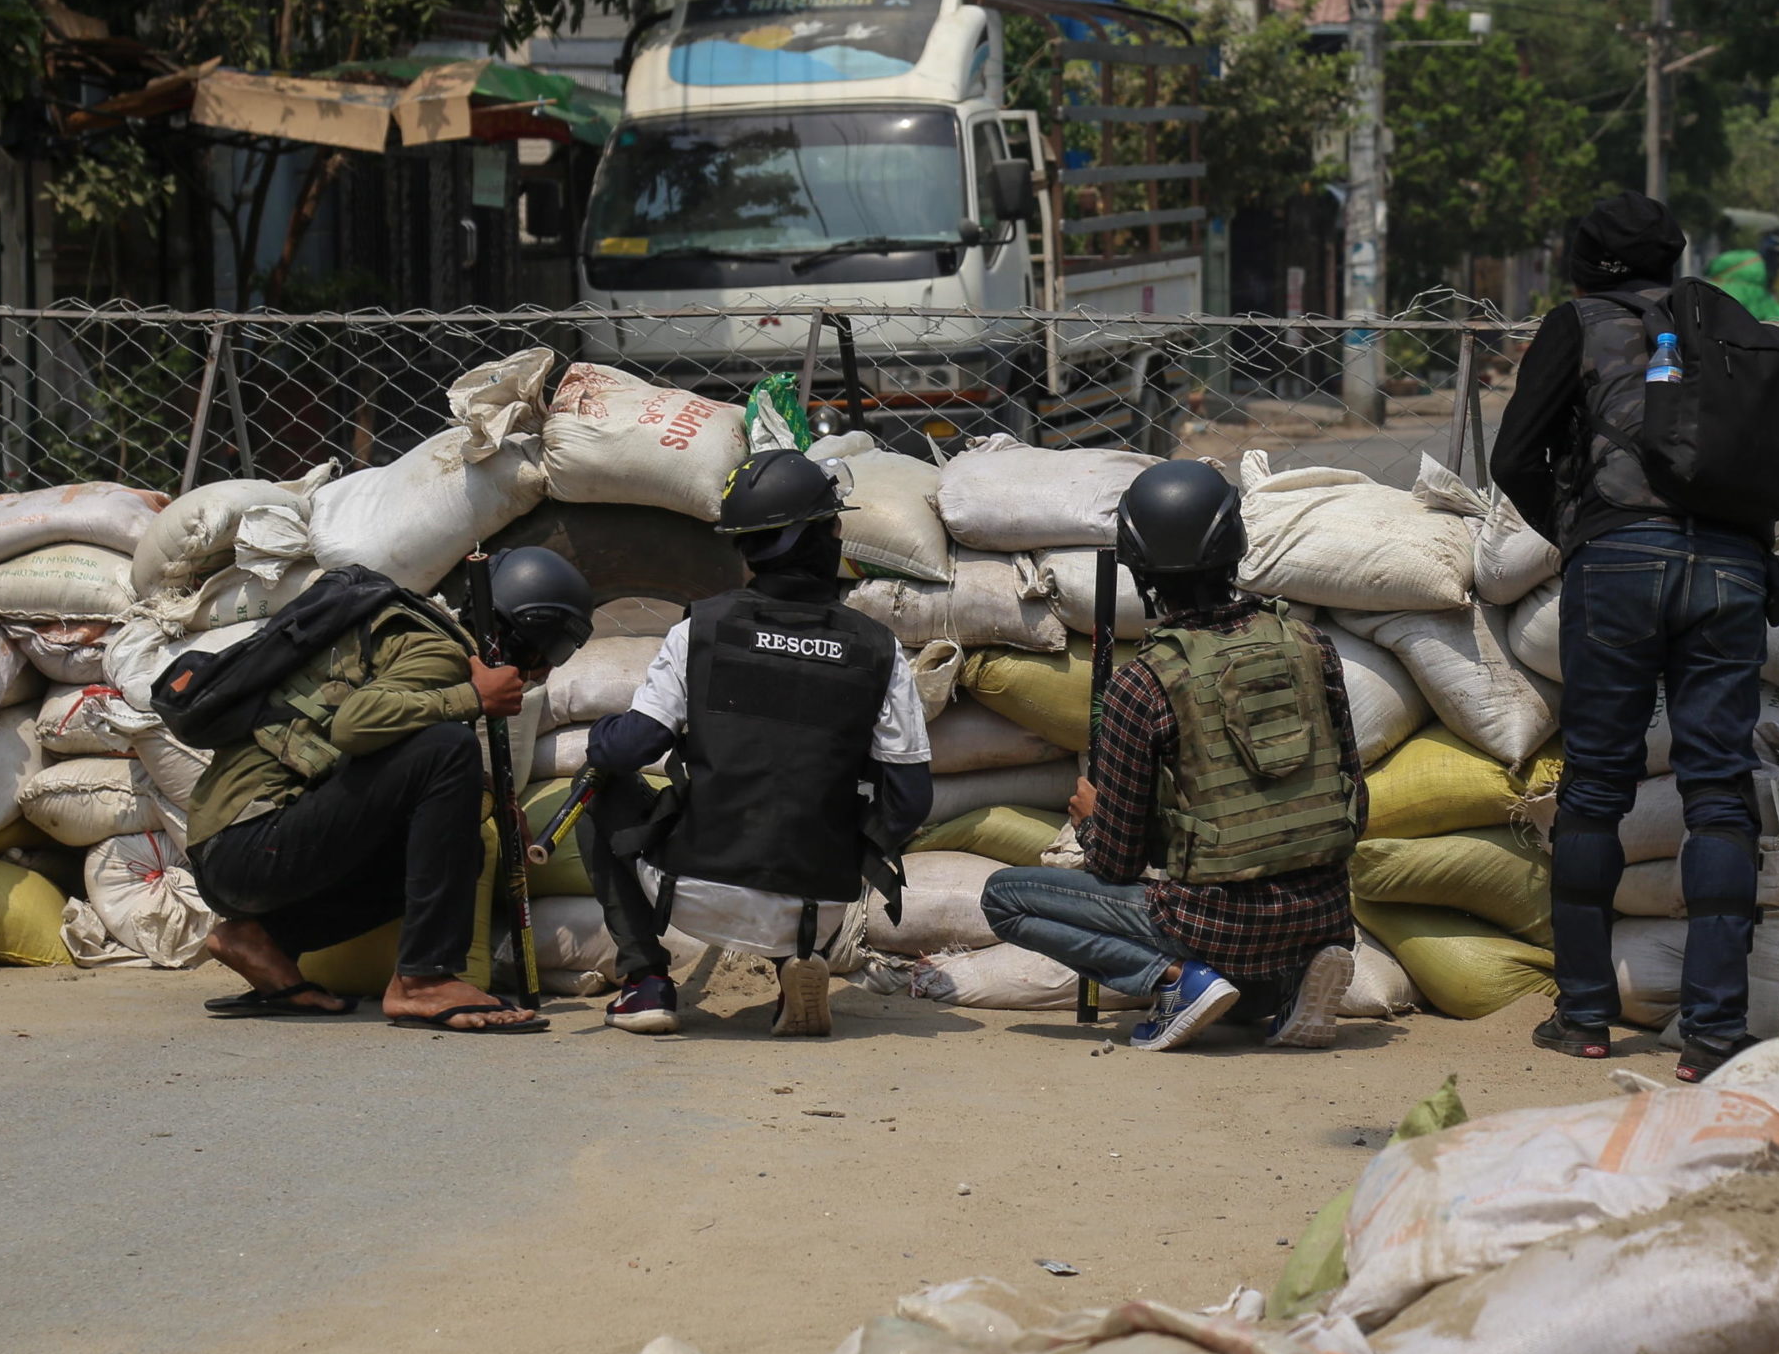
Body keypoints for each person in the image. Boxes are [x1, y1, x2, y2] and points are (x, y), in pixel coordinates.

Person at [1493, 192, 1779, 1081]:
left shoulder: (1576, 324)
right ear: (1675, 256)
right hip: (1734, 569)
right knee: (1717, 790)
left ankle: (1584, 1014)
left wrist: (1583, 529)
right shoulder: (1728, 326)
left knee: (1595, 784)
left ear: (1585, 263)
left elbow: (1515, 456)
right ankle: (1712, 1033)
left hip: (1618, 568)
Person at [979, 460, 1363, 1052]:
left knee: (1003, 898)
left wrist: (1090, 822)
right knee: (1240, 994)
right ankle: (1293, 983)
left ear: (1139, 572)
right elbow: (1352, 801)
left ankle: (1176, 981)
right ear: (1236, 551)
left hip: (1215, 925)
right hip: (1324, 915)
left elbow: (1117, 863)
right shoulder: (1312, 647)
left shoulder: (1146, 682)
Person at [581, 449, 932, 1039]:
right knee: (803, 809)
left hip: (687, 892)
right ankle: (791, 962)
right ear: (829, 536)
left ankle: (645, 981)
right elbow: (910, 799)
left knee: (595, 785)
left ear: (745, 549)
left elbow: (629, 748)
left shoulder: (702, 630)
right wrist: (840, 845)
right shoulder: (879, 648)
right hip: (814, 907)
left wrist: (599, 737)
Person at [185, 546, 595, 1034]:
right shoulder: (441, 652)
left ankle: (261, 940)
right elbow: (355, 726)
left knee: (458, 842)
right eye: (550, 652)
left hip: (237, 853)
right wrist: (473, 698)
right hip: (251, 843)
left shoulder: (420, 641)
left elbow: (385, 767)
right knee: (451, 747)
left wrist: (483, 796)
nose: (545, 670)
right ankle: (424, 980)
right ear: (526, 632)